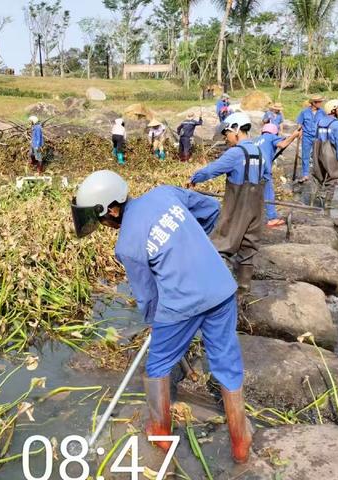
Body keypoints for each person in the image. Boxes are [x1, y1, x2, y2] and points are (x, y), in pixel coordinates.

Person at [71, 170, 252, 464]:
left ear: (113, 210)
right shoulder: (164, 193)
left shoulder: (126, 245)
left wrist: (156, 324)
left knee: (157, 366)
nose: (104, 225)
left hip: (183, 302)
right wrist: (187, 245)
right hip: (221, 288)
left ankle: (159, 432)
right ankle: (241, 441)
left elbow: (148, 297)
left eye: (102, 218)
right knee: (226, 362)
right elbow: (210, 210)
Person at [189, 112, 269, 292]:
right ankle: (243, 288)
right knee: (249, 246)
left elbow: (212, 170)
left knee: (222, 243)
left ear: (237, 130)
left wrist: (194, 179)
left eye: (227, 134)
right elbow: (266, 176)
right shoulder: (260, 151)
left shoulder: (235, 153)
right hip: (256, 207)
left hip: (237, 206)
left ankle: (217, 289)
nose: (227, 138)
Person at [254, 123, 301, 228]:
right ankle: (272, 218)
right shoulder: (271, 137)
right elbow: (282, 144)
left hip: (250, 166)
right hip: (263, 167)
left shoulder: (256, 139)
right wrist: (294, 135)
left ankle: (249, 216)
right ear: (274, 133)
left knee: (252, 191)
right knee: (268, 191)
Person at [312, 99, 338, 192]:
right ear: (333, 110)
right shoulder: (337, 124)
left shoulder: (320, 122)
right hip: (331, 154)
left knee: (319, 178)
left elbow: (316, 137)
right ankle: (328, 204)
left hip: (318, 153)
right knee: (334, 178)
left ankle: (315, 199)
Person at [296, 94, 326, 183]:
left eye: (321, 101)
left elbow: (325, 124)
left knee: (318, 156)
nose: (321, 103)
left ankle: (319, 174)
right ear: (313, 103)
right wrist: (299, 132)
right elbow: (299, 123)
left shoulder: (322, 112)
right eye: (319, 102)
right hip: (307, 136)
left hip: (318, 137)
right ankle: (305, 174)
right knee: (305, 156)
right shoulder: (304, 112)